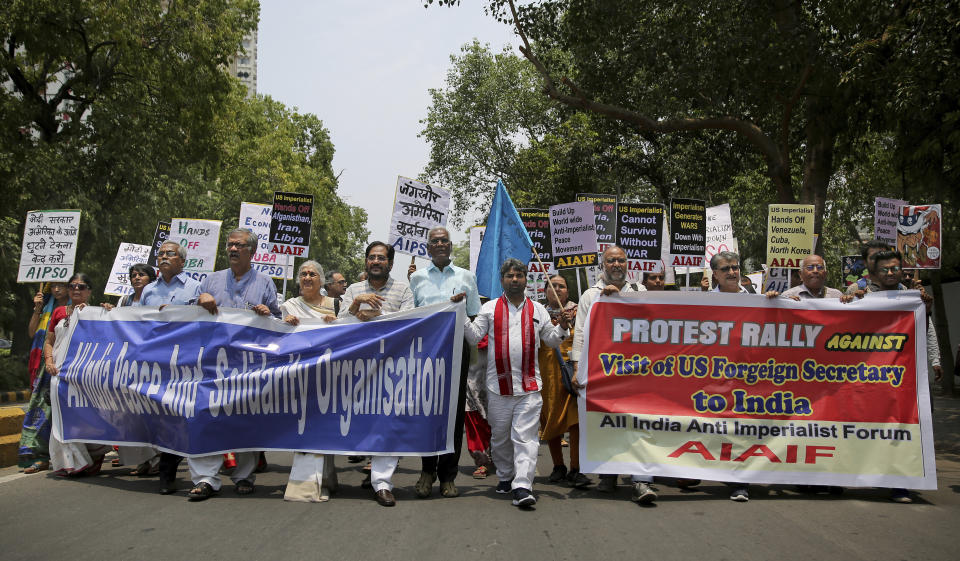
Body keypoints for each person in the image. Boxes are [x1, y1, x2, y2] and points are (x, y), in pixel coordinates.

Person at [463, 258, 570, 507]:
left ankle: (522, 485)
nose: (514, 279)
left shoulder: (538, 310)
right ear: (502, 280)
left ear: (526, 279)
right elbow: (474, 336)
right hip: (497, 387)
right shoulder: (489, 308)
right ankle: (504, 476)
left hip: (529, 387)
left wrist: (562, 327)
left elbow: (552, 340)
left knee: (525, 438)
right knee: (500, 438)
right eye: (510, 276)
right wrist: (459, 311)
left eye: (519, 275)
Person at [187, 228, 281, 501]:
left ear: (251, 251)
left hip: (249, 365)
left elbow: (279, 322)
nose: (232, 249)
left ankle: (243, 475)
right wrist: (199, 300)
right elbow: (190, 317)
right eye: (229, 245)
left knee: (245, 417)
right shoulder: (211, 280)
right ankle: (206, 478)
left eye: (238, 245)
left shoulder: (264, 283)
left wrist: (268, 314)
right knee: (206, 416)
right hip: (212, 364)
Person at [848, 249, 939, 504]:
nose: (891, 273)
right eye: (885, 269)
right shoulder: (861, 293)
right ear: (874, 273)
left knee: (902, 427)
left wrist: (935, 359)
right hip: (868, 375)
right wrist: (851, 301)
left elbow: (926, 328)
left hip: (902, 375)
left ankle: (900, 483)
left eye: (895, 268)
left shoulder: (913, 297)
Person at [570, 246, 658, 504]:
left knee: (640, 424)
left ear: (627, 264)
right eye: (611, 261)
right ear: (603, 265)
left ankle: (642, 480)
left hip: (638, 370)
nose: (617, 264)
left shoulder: (641, 292)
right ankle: (608, 474)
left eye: (621, 260)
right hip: (604, 370)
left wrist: (620, 300)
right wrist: (577, 369)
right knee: (608, 422)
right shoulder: (589, 295)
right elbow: (581, 333)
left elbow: (652, 324)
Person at [338, 241, 414, 506]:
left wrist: (380, 316)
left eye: (381, 258)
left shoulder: (403, 289)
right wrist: (355, 306)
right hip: (356, 367)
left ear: (390, 264)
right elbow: (337, 324)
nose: (376, 262)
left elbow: (409, 326)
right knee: (357, 419)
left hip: (390, 366)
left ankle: (382, 483)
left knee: (387, 421)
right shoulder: (353, 290)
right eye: (372, 258)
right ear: (366, 262)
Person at [408, 227, 480, 498]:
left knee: (453, 414)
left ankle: (448, 476)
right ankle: (427, 471)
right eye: (434, 241)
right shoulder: (416, 279)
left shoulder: (466, 277)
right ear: (428, 247)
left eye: (443, 241)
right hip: (426, 352)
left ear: (450, 246)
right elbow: (411, 316)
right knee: (428, 412)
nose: (439, 244)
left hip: (456, 350)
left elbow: (473, 315)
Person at [140, 241, 202, 494]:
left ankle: (168, 469)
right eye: (161, 253)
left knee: (178, 413)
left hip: (184, 360)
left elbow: (202, 320)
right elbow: (136, 321)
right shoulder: (148, 291)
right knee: (160, 414)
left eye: (170, 254)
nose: (164, 257)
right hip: (155, 361)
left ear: (182, 261)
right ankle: (166, 460)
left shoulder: (195, 287)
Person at [281, 260, 339, 503]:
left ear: (321, 280)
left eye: (312, 274)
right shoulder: (289, 306)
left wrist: (335, 323)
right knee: (304, 423)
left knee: (325, 422)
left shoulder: (334, 305)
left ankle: (325, 477)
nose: (307, 278)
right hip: (299, 374)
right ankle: (309, 482)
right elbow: (280, 338)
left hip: (328, 371)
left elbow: (345, 332)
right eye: (303, 274)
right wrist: (284, 324)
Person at [46, 274, 114, 476]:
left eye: (81, 286)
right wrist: (49, 361)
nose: (76, 289)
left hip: (85, 373)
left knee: (87, 413)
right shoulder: (59, 312)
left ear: (89, 291)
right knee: (62, 415)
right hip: (59, 371)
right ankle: (72, 462)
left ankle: (94, 455)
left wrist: (110, 313)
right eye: (72, 286)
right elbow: (49, 341)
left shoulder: (97, 313)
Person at [539, 274, 590, 488]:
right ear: (545, 291)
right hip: (547, 375)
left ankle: (576, 468)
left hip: (573, 374)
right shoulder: (537, 313)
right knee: (551, 421)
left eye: (561, 286)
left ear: (568, 292)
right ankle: (558, 466)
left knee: (576, 421)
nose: (557, 289)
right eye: (553, 286)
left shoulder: (579, 312)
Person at [19, 282, 70, 473]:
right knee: (41, 411)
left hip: (67, 368)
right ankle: (40, 456)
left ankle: (71, 456)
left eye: (61, 285)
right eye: (53, 286)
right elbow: (33, 333)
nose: (56, 289)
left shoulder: (79, 308)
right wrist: (37, 310)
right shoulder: (48, 309)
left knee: (65, 412)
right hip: (44, 368)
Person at [780, 255, 848, 301]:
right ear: (800, 274)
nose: (815, 271)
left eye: (819, 267)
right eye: (810, 267)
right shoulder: (788, 296)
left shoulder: (836, 296)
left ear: (825, 274)